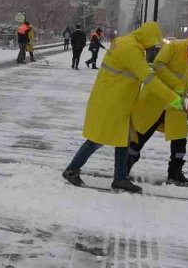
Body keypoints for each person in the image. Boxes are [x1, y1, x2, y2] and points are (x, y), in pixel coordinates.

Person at [61, 21, 180, 193]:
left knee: (123, 138)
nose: (151, 46)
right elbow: (146, 77)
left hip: (118, 100)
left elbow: (137, 70)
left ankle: (120, 178)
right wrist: (172, 98)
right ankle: (72, 170)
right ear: (146, 37)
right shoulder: (131, 48)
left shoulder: (128, 43)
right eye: (151, 41)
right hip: (112, 101)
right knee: (98, 139)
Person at [127, 29, 188, 185]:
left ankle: (175, 173)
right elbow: (158, 65)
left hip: (176, 106)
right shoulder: (174, 47)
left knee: (180, 140)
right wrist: (177, 84)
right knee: (140, 136)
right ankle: (124, 168)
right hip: (155, 100)